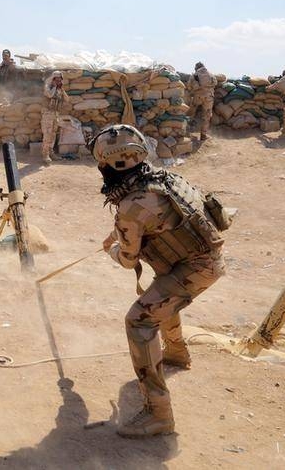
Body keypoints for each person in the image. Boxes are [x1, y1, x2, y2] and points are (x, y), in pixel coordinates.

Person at [90, 124, 226, 438]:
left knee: (139, 320)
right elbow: (160, 220)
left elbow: (127, 260)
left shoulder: (130, 205)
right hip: (204, 259)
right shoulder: (165, 178)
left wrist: (111, 248)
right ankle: (177, 352)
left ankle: (158, 412)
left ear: (106, 166)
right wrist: (121, 232)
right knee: (161, 296)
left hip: (194, 268)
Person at [41, 70, 68, 164]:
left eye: (60, 80)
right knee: (47, 134)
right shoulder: (48, 87)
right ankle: (45, 154)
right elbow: (49, 95)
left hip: (56, 114)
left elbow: (67, 99)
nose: (58, 81)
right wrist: (55, 87)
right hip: (47, 114)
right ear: (53, 79)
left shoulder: (59, 90)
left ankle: (51, 152)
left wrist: (62, 90)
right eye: (56, 80)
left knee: (53, 134)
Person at [187, 62, 217, 141]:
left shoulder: (194, 75)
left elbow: (189, 86)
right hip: (209, 98)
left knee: (190, 113)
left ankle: (186, 131)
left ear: (196, 68)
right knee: (206, 116)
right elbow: (215, 83)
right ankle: (203, 135)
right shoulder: (211, 75)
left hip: (197, 97)